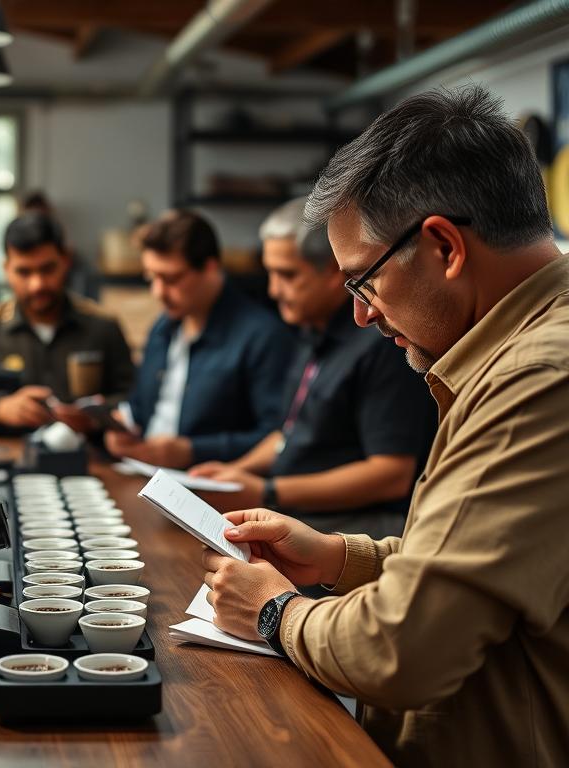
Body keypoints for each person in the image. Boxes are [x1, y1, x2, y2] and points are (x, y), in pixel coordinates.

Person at [201, 86, 569, 766]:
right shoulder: (521, 352)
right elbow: (489, 564)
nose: (362, 316)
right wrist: (340, 558)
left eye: (362, 281)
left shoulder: (538, 378)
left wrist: (274, 610)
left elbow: (399, 652)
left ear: (443, 247)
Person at [189, 199, 436, 538]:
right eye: (270, 274)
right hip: (298, 514)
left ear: (335, 272)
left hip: (353, 529)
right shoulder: (310, 332)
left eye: (287, 275)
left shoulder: (381, 343)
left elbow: (391, 474)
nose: (274, 291)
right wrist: (234, 473)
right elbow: (287, 434)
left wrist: (267, 491)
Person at [104, 210, 294, 468]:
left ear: (210, 268)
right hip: (142, 471)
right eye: (151, 277)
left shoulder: (262, 336)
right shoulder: (163, 327)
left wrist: (192, 451)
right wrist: (121, 425)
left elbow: (279, 437)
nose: (157, 292)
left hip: (207, 483)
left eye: (171, 279)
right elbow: (140, 407)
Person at [0, 210, 135, 434]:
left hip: (88, 460)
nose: (37, 284)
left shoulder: (102, 326)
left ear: (66, 261)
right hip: (7, 457)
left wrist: (96, 417)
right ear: (7, 269)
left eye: (47, 269)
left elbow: (135, 398)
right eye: (24, 272)